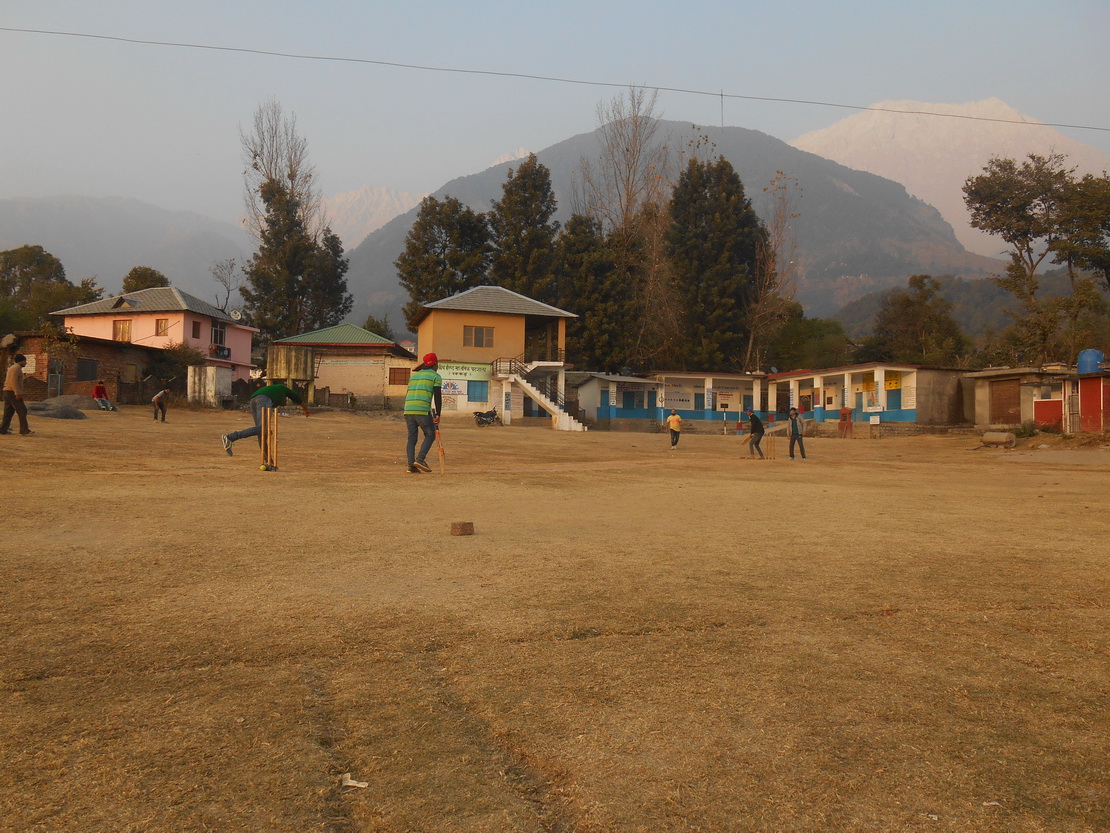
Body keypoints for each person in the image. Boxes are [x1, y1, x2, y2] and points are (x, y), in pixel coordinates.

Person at [222, 382, 309, 455]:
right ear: (284, 398)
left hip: (253, 400)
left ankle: (266, 456)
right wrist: (306, 410)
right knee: (263, 429)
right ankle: (231, 437)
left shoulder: (274, 395)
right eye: (284, 402)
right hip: (264, 399)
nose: (284, 404)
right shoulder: (283, 389)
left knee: (261, 430)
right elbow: (296, 397)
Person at [403, 353, 442, 473]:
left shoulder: (413, 377)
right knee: (430, 435)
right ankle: (420, 459)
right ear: (435, 364)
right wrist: (438, 415)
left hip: (408, 409)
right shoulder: (435, 376)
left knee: (411, 439)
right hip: (422, 410)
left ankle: (411, 465)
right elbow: (437, 397)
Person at [1, 353, 33, 436]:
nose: (25, 363)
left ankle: (3, 429)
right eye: (24, 361)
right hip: (12, 392)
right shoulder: (16, 368)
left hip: (8, 391)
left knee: (8, 412)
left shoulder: (13, 367)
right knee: (22, 410)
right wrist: (17, 392)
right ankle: (24, 430)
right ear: (21, 361)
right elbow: (13, 381)